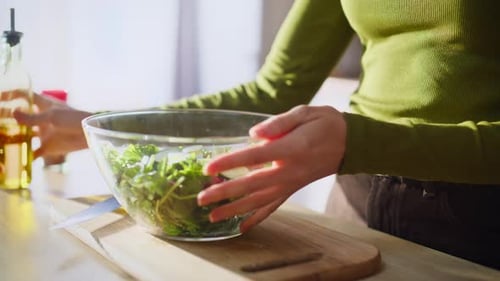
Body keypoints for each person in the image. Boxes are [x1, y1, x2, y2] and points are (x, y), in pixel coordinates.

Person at [15, 0, 500, 269]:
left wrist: (359, 141)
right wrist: (99, 125)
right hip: (355, 199)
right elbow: (276, 87)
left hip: (475, 217)